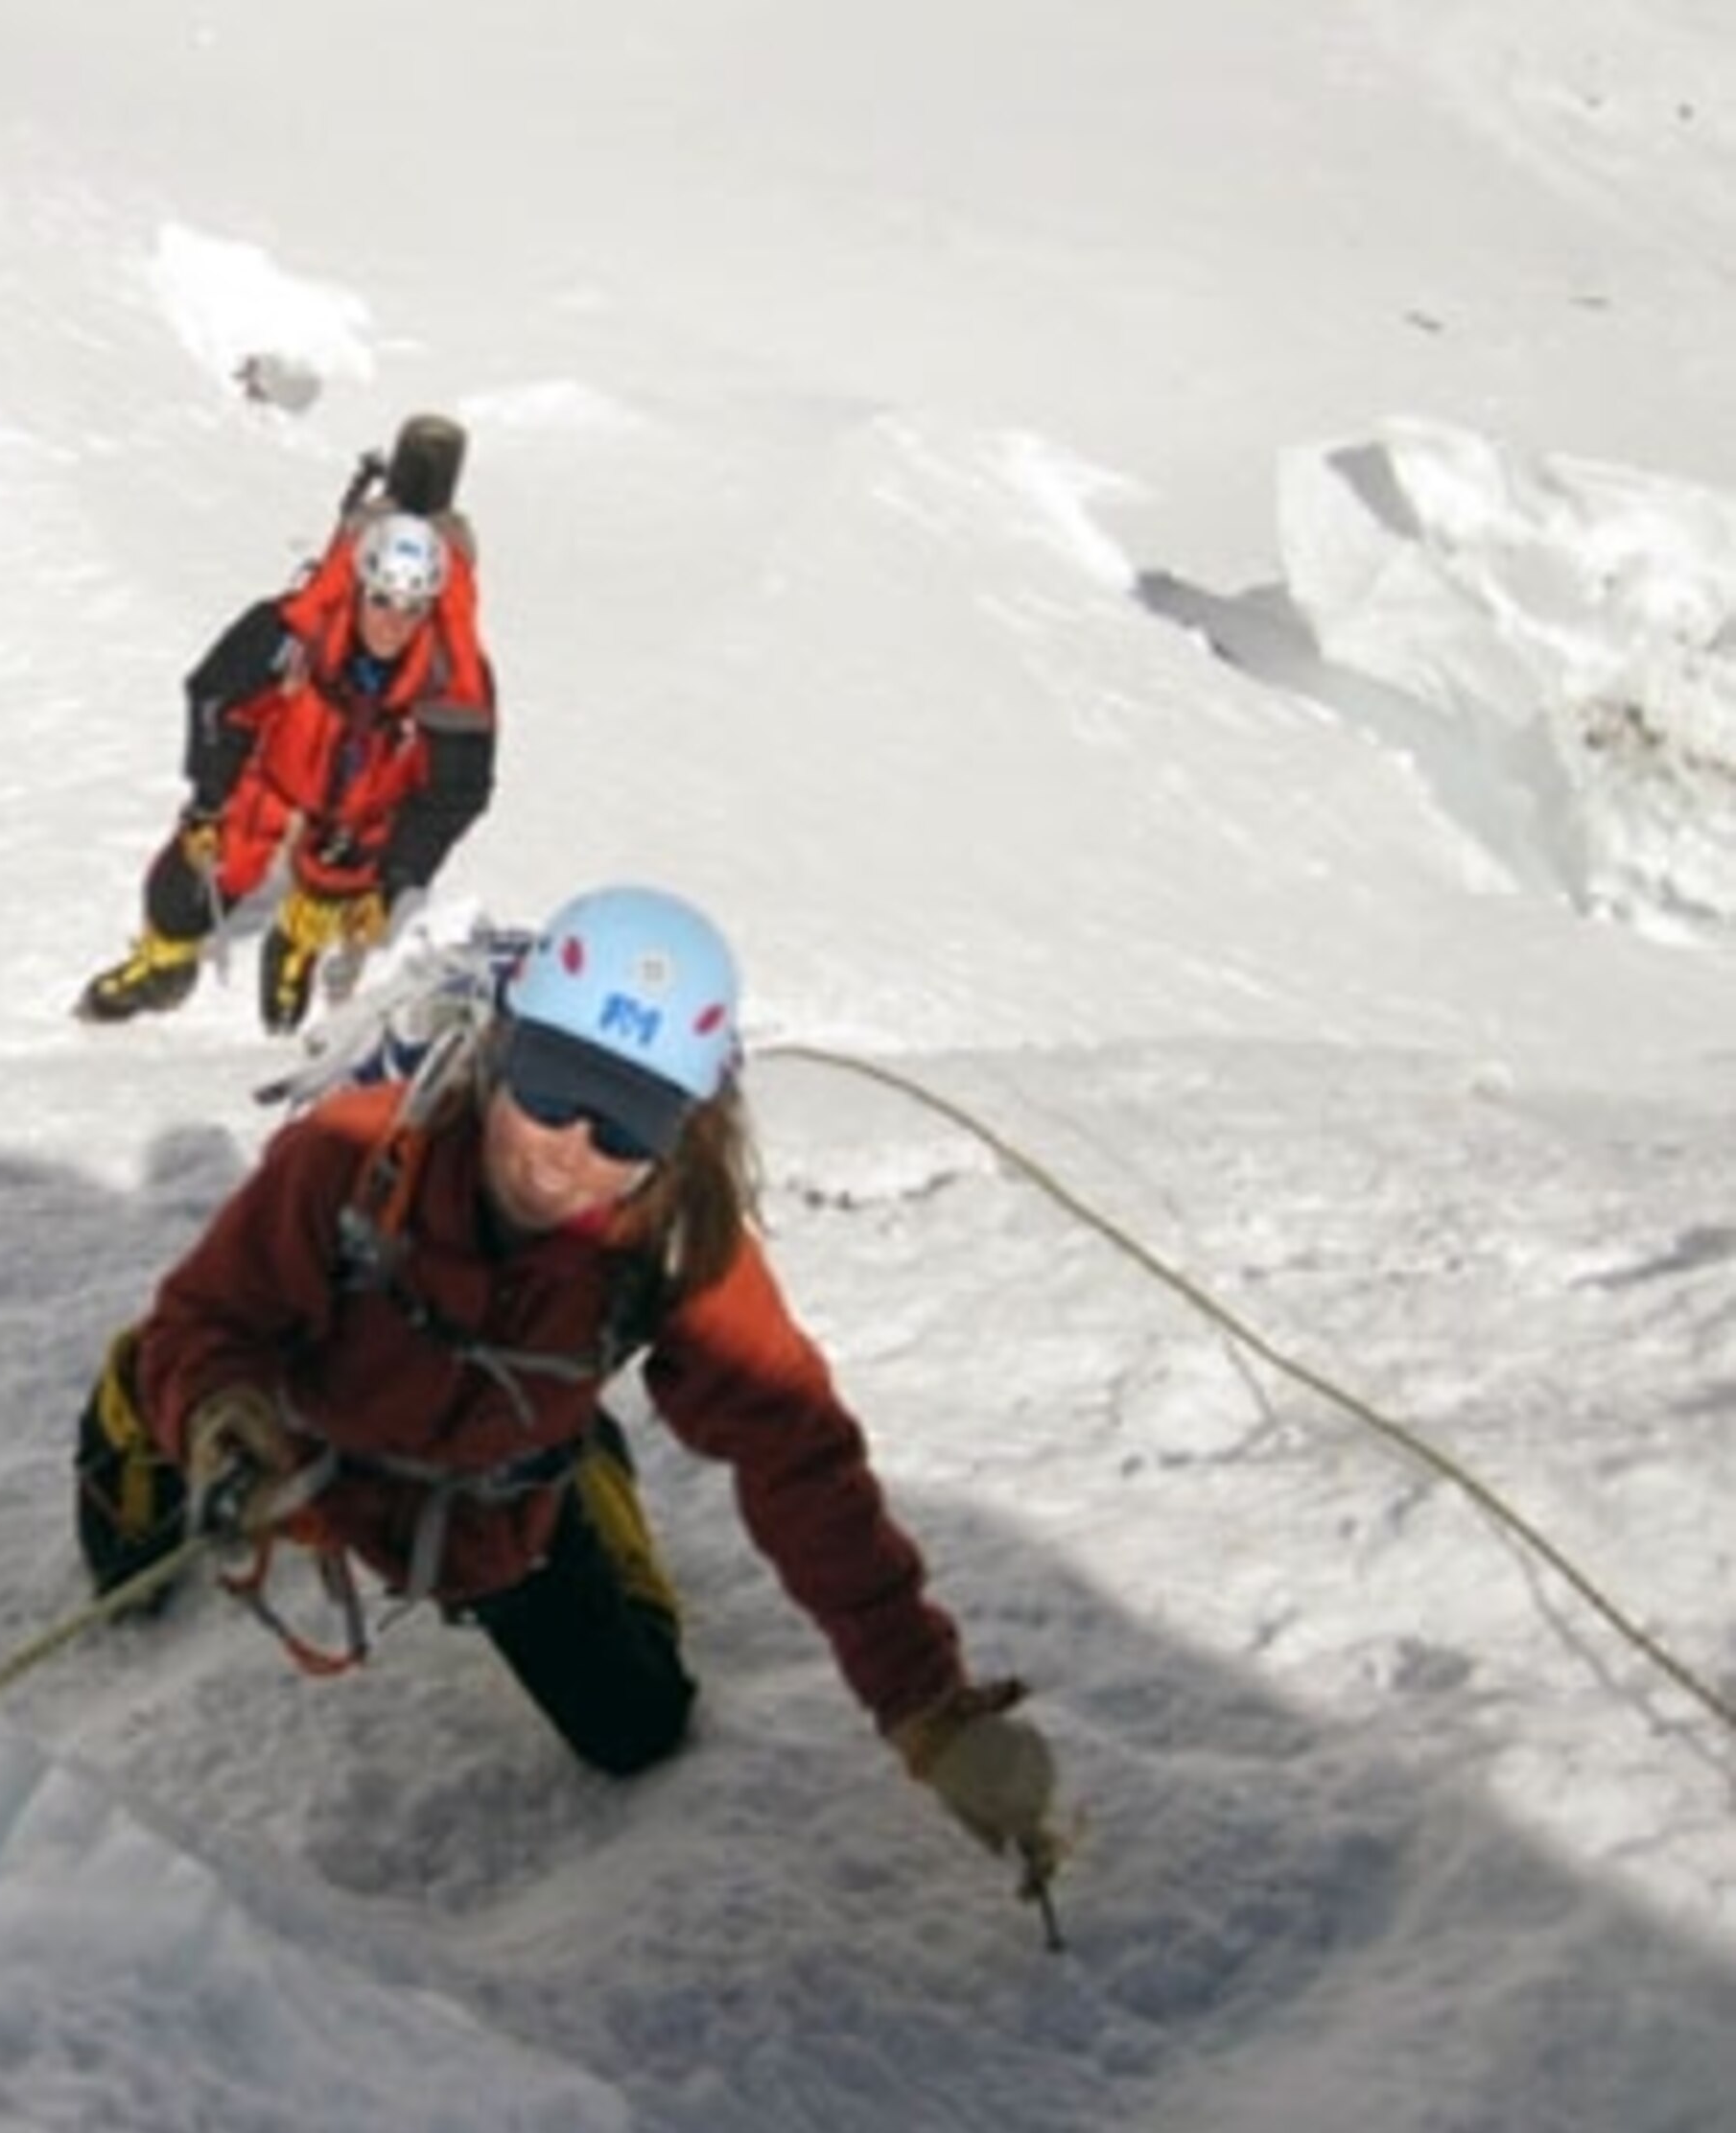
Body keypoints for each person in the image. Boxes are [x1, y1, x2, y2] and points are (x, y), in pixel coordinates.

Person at [73, 884, 1064, 1882]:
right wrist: (215, 1411)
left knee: (636, 1727)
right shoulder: (352, 1155)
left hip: (482, 1499)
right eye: (549, 1093)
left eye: (625, 1129)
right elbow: (214, 1315)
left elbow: (796, 1455)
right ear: (503, 1051)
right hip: (292, 1441)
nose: (567, 1156)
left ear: (680, 1133)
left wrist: (928, 1709)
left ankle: (580, 1463)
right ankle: (138, 1394)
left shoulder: (676, 1245)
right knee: (129, 1578)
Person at [73, 479, 500, 1035]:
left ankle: (296, 942)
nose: (392, 622)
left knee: (339, 881)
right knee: (193, 880)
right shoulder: (295, 631)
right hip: (273, 773)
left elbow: (454, 794)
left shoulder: (453, 684)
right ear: (359, 585)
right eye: (381, 599)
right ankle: (164, 965)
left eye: (412, 607)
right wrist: (209, 796)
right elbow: (215, 695)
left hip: (365, 803)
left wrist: (397, 873)